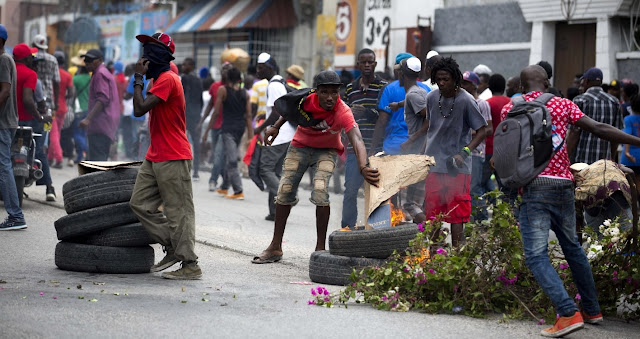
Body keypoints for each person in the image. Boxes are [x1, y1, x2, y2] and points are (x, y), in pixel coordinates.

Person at [495, 64, 640, 337]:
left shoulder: (510, 108)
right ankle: (592, 310)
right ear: (547, 85)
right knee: (573, 248)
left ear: (523, 87)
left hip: (534, 187)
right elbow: (597, 128)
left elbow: (504, 153)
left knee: (536, 256)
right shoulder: (563, 104)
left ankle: (567, 313)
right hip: (564, 184)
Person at [251, 70, 380, 264]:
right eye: (325, 92)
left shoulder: (342, 111)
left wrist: (363, 166)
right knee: (284, 190)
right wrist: (275, 127)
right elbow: (289, 109)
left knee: (320, 191)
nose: (330, 97)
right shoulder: (305, 99)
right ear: (316, 91)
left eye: (334, 92)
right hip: (299, 147)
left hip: (326, 150)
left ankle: (320, 249)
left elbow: (357, 139)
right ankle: (275, 247)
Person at [129, 32, 201, 280]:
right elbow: (141, 105)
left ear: (160, 57)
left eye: (148, 52)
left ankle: (190, 264)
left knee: (179, 211)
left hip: (173, 155)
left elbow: (138, 109)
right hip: (156, 154)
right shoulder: (157, 80)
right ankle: (173, 248)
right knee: (139, 204)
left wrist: (138, 77)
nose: (143, 58)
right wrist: (142, 79)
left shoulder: (168, 79)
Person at [423, 57, 487, 247]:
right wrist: (421, 156)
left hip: (457, 167)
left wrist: (464, 152)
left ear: (455, 79)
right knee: (433, 213)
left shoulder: (466, 100)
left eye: (446, 79)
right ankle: (435, 257)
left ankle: (456, 261)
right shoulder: (431, 98)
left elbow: (482, 131)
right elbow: (430, 129)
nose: (442, 83)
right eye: (439, 79)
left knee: (457, 214)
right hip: (434, 166)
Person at [340, 48, 388, 228]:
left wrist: (367, 113)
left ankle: (378, 229)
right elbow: (343, 115)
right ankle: (347, 229)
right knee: (350, 191)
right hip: (354, 150)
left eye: (370, 62)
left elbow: (386, 115)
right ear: (358, 64)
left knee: (378, 191)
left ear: (375, 64)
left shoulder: (383, 86)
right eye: (363, 62)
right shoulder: (351, 88)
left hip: (377, 149)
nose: (367, 65)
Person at [202, 67, 252, 200]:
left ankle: (238, 190)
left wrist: (206, 130)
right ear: (240, 79)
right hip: (240, 129)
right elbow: (248, 116)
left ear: (228, 78)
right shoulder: (245, 93)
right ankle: (224, 187)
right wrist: (250, 136)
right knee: (228, 155)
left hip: (228, 129)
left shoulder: (222, 90)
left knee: (231, 159)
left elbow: (216, 112)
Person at [14, 43, 56, 202]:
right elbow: (34, 101)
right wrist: (40, 116)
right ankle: (49, 187)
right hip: (30, 120)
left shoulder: (8, 72)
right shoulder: (31, 76)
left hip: (10, 121)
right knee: (38, 150)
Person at [253, 53, 293, 220]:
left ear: (269, 67)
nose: (257, 70)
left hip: (279, 135)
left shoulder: (274, 85)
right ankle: (275, 211)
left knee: (265, 169)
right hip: (285, 134)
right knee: (275, 172)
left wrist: (259, 128)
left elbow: (276, 113)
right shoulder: (278, 82)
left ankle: (287, 197)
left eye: (260, 67)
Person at [371, 53, 430, 156]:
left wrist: (372, 149)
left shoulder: (389, 89)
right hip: (418, 149)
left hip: (394, 147)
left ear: (401, 73)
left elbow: (382, 121)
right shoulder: (426, 89)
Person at [394, 57, 428, 223]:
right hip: (421, 152)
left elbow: (429, 118)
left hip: (417, 152)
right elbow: (414, 102)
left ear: (401, 74)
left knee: (410, 204)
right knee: (417, 203)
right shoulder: (418, 92)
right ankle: (424, 240)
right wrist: (399, 105)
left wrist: (410, 141)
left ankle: (429, 235)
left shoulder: (414, 95)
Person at [0, 26, 27, 230]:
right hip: (5, 122)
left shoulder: (3, 59)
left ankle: (16, 216)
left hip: (2, 123)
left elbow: (5, 92)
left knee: (4, 167)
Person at [568, 67, 622, 165]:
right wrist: (612, 159)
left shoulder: (579, 100)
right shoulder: (614, 102)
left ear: (586, 81)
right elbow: (616, 135)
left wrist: (566, 157)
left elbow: (573, 133)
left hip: (581, 162)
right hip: (604, 163)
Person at [460, 71, 492, 222]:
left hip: (476, 152)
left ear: (473, 85)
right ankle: (470, 220)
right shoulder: (459, 101)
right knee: (463, 188)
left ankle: (482, 219)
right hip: (461, 153)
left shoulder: (482, 104)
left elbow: (488, 129)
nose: (463, 86)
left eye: (466, 83)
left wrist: (469, 131)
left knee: (474, 188)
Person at [78, 49, 120, 161]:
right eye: (86, 60)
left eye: (91, 60)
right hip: (104, 125)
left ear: (100, 60)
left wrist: (88, 119)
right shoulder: (101, 72)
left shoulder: (100, 74)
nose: (87, 62)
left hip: (100, 125)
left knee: (98, 163)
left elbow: (102, 99)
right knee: (96, 161)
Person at [485, 74, 516, 213]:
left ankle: (494, 208)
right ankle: (506, 213)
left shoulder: (487, 103)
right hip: (508, 149)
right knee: (506, 186)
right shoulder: (511, 102)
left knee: (482, 182)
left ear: (489, 86)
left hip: (489, 148)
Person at [200, 62, 232, 191]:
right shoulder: (215, 86)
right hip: (215, 126)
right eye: (223, 69)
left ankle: (213, 180)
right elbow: (211, 106)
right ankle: (224, 180)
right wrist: (202, 121)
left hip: (227, 127)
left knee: (220, 155)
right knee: (218, 154)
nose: (225, 72)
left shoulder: (233, 88)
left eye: (227, 70)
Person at [48, 51, 73, 169]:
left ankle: (58, 159)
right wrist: (64, 97)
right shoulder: (67, 75)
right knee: (56, 133)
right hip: (63, 108)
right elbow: (72, 92)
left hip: (52, 107)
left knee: (53, 134)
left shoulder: (51, 73)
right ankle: (50, 157)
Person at [181, 57, 203, 181]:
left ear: (191, 66)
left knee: (182, 142)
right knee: (196, 143)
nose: (183, 67)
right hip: (196, 115)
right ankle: (196, 171)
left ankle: (184, 169)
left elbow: (184, 97)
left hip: (186, 115)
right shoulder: (199, 80)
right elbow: (200, 100)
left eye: (185, 64)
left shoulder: (185, 78)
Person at [31, 34, 59, 112]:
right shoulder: (53, 59)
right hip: (48, 96)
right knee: (46, 121)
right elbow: (56, 81)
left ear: (33, 44)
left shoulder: (31, 57)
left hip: (33, 95)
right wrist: (56, 102)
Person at [70, 54, 90, 164]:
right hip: (89, 110)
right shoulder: (91, 78)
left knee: (77, 134)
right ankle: (79, 157)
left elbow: (72, 95)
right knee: (84, 134)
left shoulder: (75, 79)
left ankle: (87, 150)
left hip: (78, 110)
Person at [621, 94, 640, 193]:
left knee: (630, 186)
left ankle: (633, 207)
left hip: (630, 158)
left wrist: (627, 152)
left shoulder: (628, 119)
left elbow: (627, 136)